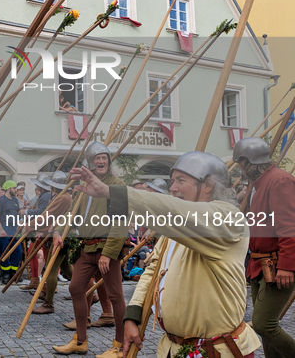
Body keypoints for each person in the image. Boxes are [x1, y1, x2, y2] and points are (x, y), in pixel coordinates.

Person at [68, 151, 261, 358]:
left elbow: (179, 213)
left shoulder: (229, 219)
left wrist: (114, 193)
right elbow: (153, 270)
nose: (172, 188)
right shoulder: (175, 229)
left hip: (217, 351)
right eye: (172, 180)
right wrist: (133, 316)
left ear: (208, 185)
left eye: (180, 180)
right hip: (172, 348)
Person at [52, 142, 126, 357]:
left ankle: (119, 345)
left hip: (106, 247)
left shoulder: (117, 184)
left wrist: (109, 253)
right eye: (97, 158)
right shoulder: (84, 187)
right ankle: (80, 341)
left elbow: (121, 221)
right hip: (87, 247)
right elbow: (72, 214)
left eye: (104, 157)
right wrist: (58, 231)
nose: (101, 161)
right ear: (90, 163)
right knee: (75, 288)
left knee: (115, 297)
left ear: (109, 161)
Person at [233, 138, 295, 357]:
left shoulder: (279, 181)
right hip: (260, 264)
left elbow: (289, 226)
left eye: (240, 163)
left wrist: (287, 265)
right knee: (267, 330)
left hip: (277, 263)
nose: (239, 169)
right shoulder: (257, 185)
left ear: (247, 161)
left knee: (263, 324)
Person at [31, 170, 74, 315]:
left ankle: (48, 303)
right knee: (67, 268)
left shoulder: (63, 198)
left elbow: (48, 217)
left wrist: (29, 225)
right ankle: (89, 292)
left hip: (60, 236)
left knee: (50, 269)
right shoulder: (63, 196)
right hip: (60, 235)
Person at [19, 173, 51, 291]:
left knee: (46, 256)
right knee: (31, 252)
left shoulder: (46, 195)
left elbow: (42, 212)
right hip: (38, 229)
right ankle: (35, 280)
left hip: (44, 230)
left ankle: (49, 284)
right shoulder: (43, 195)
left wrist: (26, 212)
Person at [0, 180, 22, 284]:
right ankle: (6, 273)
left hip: (14, 229)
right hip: (4, 228)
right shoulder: (1, 200)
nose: (16, 190)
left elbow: (17, 214)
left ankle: (13, 272)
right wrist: (1, 229)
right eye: (14, 188)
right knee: (4, 252)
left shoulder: (15, 200)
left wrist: (19, 224)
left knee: (18, 251)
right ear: (9, 189)